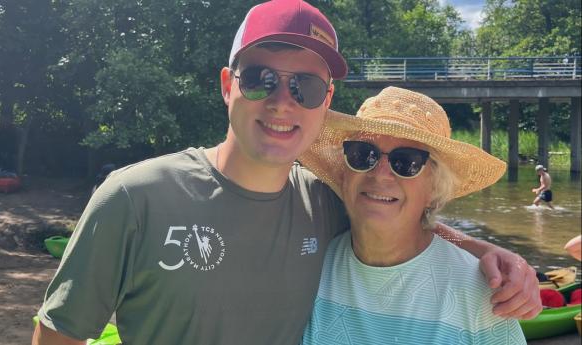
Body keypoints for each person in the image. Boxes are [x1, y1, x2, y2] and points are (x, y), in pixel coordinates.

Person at [32, 1, 540, 344]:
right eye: (261, 79)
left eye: (305, 87)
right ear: (229, 84)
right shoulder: (133, 197)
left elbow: (403, 218)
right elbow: (57, 335)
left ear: (326, 101)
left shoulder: (325, 204)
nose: (282, 101)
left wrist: (490, 253)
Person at [300, 87, 526, 344]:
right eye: (362, 155)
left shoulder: (481, 295)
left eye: (406, 161)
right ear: (344, 172)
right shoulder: (310, 264)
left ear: (434, 188)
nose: (380, 173)